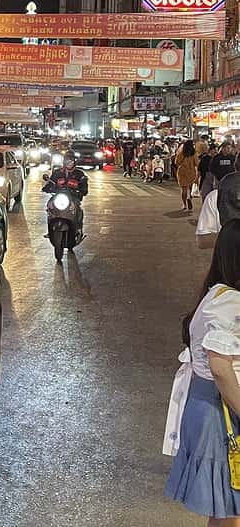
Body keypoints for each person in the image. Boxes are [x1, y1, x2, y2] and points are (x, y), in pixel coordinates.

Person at [164, 220, 240, 522]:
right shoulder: (231, 302)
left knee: (225, 507)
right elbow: (220, 367)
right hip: (221, 412)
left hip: (209, 406)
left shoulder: (218, 292)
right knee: (230, 508)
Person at [42, 153, 89, 236]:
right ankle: (50, 229)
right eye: (67, 161)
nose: (69, 163)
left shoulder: (79, 174)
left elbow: (83, 186)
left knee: (77, 208)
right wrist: (47, 188)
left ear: (74, 162)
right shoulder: (57, 172)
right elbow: (51, 182)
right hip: (59, 196)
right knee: (50, 205)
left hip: (73, 196)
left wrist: (82, 190)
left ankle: (78, 229)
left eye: (71, 161)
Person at [176, 140, 198, 211]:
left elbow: (177, 162)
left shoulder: (181, 153)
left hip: (182, 172)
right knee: (190, 187)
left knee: (184, 189)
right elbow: (196, 163)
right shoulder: (194, 153)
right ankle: (189, 197)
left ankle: (184, 204)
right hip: (191, 172)